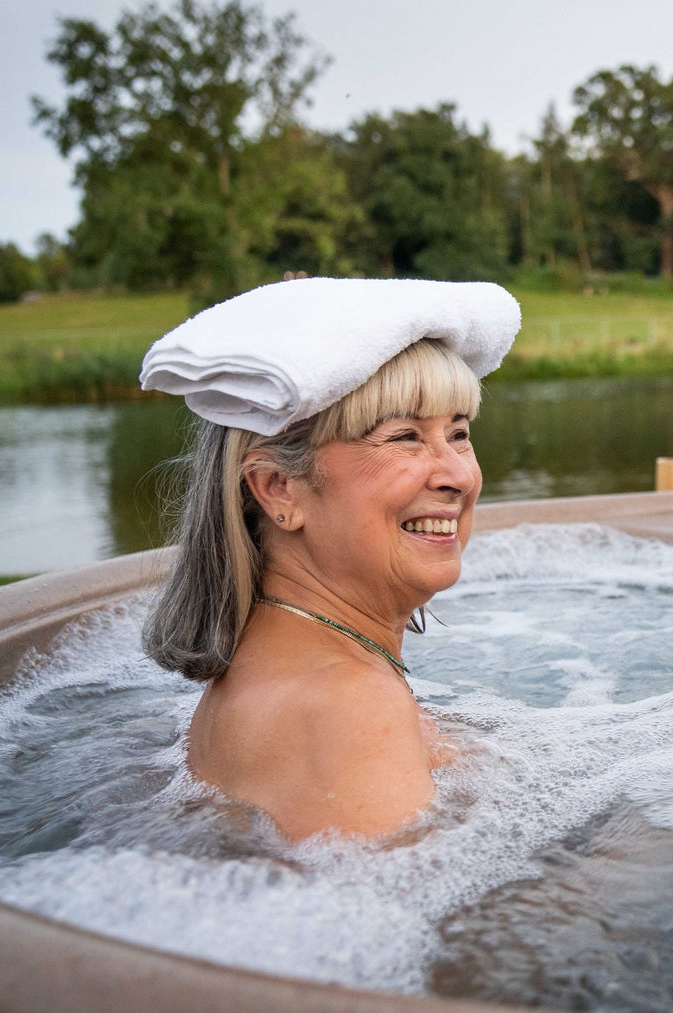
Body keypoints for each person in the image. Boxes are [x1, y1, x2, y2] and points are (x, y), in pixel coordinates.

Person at [139, 277, 520, 839]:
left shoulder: (271, 671)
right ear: (278, 490)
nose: (459, 475)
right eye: (404, 437)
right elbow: (409, 922)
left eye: (459, 434)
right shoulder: (349, 706)